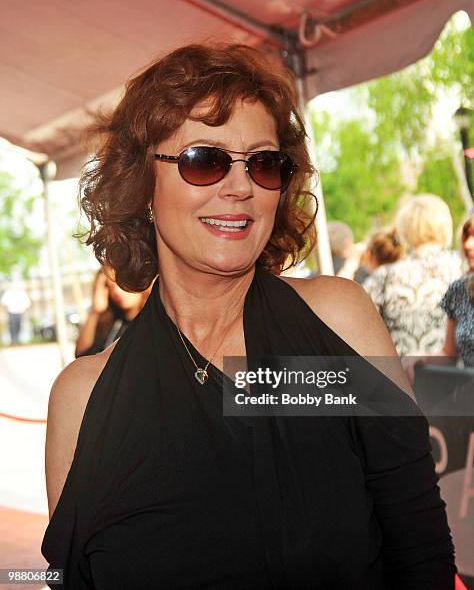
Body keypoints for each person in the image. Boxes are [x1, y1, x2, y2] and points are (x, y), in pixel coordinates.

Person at [41, 44, 455, 588]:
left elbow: (419, 551)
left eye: (263, 164)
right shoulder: (84, 398)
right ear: (143, 186)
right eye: (203, 160)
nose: (239, 187)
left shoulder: (333, 321)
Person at [363, 194, 462, 357]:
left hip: (402, 375)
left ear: (404, 229)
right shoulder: (462, 269)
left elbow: (365, 332)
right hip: (456, 376)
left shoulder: (384, 277)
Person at [405, 213, 474, 380]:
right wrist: (423, 358)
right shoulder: (460, 289)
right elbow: (449, 353)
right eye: (467, 236)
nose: (468, 244)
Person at [75, 266, 152, 357]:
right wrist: (95, 312)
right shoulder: (113, 324)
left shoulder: (152, 321)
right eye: (110, 287)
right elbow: (81, 354)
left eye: (121, 283)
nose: (116, 292)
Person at [1, 280, 31, 344]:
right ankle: (14, 340)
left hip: (20, 312)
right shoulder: (9, 292)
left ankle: (17, 339)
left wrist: (23, 308)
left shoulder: (22, 293)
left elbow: (27, 303)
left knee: (19, 326)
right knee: (12, 326)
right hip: (11, 312)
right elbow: (4, 301)